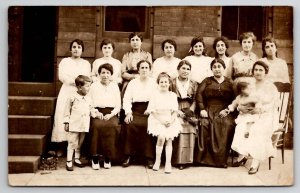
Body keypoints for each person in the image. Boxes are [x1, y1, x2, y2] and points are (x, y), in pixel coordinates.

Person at [230, 60, 279, 175]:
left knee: (257, 130)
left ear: (265, 72)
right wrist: (239, 109)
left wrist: (261, 110)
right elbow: (240, 99)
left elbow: (274, 105)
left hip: (267, 115)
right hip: (249, 114)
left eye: (261, 70)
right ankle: (243, 155)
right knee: (241, 127)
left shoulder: (270, 86)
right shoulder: (249, 84)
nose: (258, 72)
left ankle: (255, 163)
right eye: (256, 70)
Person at [51, 39, 91, 157]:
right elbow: (62, 76)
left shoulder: (86, 64)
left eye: (79, 47)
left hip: (80, 92)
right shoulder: (65, 61)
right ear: (70, 49)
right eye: (74, 47)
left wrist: (79, 83)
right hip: (67, 91)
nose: (76, 49)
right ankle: (61, 146)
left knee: (77, 118)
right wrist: (75, 81)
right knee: (63, 116)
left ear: (82, 50)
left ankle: (75, 149)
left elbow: (86, 78)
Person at [194, 58, 236, 168]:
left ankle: (220, 160)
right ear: (211, 69)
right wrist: (202, 109)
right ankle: (202, 160)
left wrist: (227, 110)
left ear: (224, 68)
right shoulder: (207, 81)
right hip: (208, 108)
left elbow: (236, 99)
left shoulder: (230, 82)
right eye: (214, 67)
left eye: (219, 67)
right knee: (204, 123)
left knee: (226, 124)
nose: (217, 69)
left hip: (224, 110)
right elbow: (199, 94)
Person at [122, 60, 157, 168]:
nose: (144, 70)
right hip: (135, 110)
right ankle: (128, 155)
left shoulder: (154, 82)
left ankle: (149, 157)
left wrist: (151, 110)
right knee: (129, 124)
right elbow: (127, 99)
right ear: (138, 70)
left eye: (146, 68)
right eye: (142, 68)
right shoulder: (133, 83)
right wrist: (128, 113)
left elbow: (157, 99)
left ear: (150, 70)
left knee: (148, 125)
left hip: (149, 110)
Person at [146, 72, 182, 174]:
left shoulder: (172, 95)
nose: (164, 84)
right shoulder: (155, 95)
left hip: (169, 119)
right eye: (161, 82)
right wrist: (161, 120)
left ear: (169, 83)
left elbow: (175, 111)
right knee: (161, 137)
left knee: (169, 139)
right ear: (158, 83)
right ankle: (158, 161)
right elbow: (152, 111)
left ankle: (168, 163)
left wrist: (171, 120)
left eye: (166, 82)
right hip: (157, 119)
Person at [88, 63, 121, 170]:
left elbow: (118, 104)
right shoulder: (93, 86)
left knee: (113, 126)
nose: (105, 75)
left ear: (111, 74)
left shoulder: (114, 86)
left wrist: (111, 114)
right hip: (97, 112)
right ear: (99, 74)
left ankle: (108, 157)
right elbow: (90, 102)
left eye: (108, 73)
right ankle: (95, 157)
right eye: (103, 72)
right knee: (96, 126)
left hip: (111, 113)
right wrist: (96, 113)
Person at [170, 60, 198, 170]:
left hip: (189, 108)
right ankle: (177, 159)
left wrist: (190, 111)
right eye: (183, 68)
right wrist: (177, 111)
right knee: (178, 127)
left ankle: (187, 159)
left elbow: (195, 99)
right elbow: (168, 97)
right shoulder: (171, 82)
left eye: (187, 69)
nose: (185, 71)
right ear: (178, 69)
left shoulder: (194, 83)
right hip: (174, 107)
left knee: (190, 127)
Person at [63, 75, 94, 171]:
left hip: (84, 124)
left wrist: (96, 114)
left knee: (80, 142)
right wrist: (66, 122)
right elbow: (66, 111)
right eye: (87, 86)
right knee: (72, 142)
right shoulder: (72, 97)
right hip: (74, 124)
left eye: (90, 86)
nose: (89, 88)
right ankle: (69, 160)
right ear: (80, 87)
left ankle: (76, 158)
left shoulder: (89, 98)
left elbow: (91, 109)